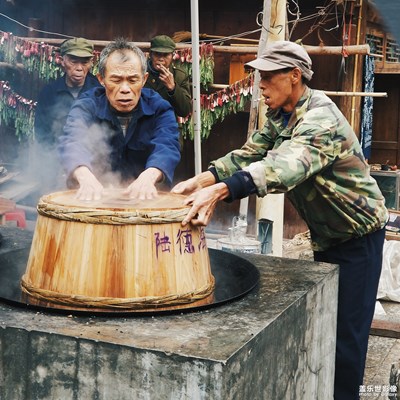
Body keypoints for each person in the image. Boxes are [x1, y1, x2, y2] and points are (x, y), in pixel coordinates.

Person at [172, 40, 388, 400]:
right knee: (326, 326)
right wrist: (204, 179)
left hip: (357, 237)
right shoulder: (281, 116)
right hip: (328, 235)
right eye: (260, 77)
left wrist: (222, 191)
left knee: (346, 338)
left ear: (294, 76)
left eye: (268, 77)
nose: (261, 85)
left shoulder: (320, 117)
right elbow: (249, 153)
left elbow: (284, 168)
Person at [58, 37, 180, 201]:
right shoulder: (87, 106)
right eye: (116, 80)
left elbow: (168, 144)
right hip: (95, 198)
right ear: (102, 80)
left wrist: (150, 176)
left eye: (132, 80)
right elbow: (73, 139)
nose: (125, 89)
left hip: (145, 200)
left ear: (143, 80)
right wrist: (83, 174)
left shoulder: (159, 107)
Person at [32, 37, 100, 193]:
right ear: (62, 61)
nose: (79, 68)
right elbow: (42, 135)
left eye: (84, 62)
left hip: (94, 164)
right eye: (73, 62)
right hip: (57, 164)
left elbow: (107, 132)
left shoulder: (98, 91)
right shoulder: (49, 93)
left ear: (91, 63)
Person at [144, 34, 192, 120]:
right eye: (157, 54)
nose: (161, 59)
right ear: (150, 54)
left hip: (167, 127)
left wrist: (173, 88)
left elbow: (184, 111)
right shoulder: (140, 72)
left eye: (165, 55)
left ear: (172, 56)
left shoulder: (179, 75)